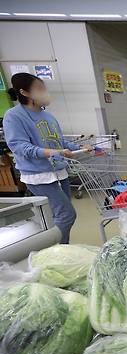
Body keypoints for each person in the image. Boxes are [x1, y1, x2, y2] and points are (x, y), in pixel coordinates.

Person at [3, 73, 88, 243]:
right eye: (40, 89)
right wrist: (50, 152)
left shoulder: (48, 116)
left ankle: (63, 248)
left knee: (59, 215)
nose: (45, 92)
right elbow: (19, 146)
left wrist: (81, 148)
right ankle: (55, 250)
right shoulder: (14, 116)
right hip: (38, 175)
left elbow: (59, 141)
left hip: (59, 171)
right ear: (24, 92)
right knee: (66, 215)